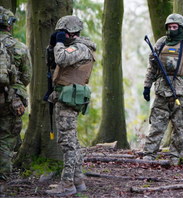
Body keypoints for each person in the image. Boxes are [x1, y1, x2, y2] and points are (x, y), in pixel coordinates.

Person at [143, 13, 183, 165]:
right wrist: (147, 85)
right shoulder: (161, 43)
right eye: (169, 27)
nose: (172, 29)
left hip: (182, 93)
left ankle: (175, 157)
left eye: (175, 27)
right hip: (162, 92)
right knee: (156, 126)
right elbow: (152, 66)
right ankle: (149, 156)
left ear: (181, 27)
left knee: (179, 128)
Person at [45, 15, 97, 197]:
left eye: (62, 33)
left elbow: (60, 59)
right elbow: (52, 63)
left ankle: (67, 185)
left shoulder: (81, 48)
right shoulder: (75, 47)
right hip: (65, 97)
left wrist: (58, 44)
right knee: (72, 141)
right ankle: (78, 180)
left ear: (71, 33)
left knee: (67, 144)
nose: (60, 36)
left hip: (68, 100)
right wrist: (52, 46)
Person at [0, 7, 32, 197]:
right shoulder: (19, 47)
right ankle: (2, 186)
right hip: (10, 101)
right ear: (9, 26)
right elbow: (26, 77)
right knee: (5, 140)